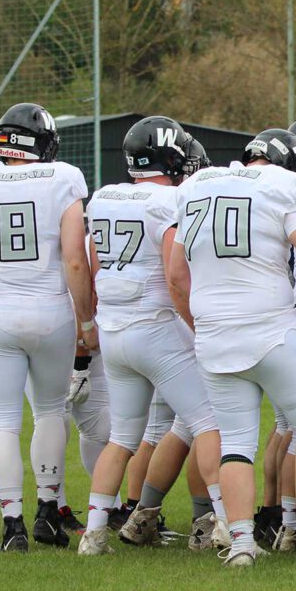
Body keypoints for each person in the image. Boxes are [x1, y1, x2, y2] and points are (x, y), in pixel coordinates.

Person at [169, 128, 296, 566]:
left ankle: (241, 541)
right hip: (272, 329)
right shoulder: (284, 185)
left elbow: (175, 275)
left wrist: (201, 324)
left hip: (216, 336)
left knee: (237, 442)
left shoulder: (196, 187)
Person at [0, 102, 96, 552]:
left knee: (3, 424)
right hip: (51, 310)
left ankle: (12, 526)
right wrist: (85, 319)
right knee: (50, 412)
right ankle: (47, 513)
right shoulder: (63, 178)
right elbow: (73, 259)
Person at [75, 117, 226, 556]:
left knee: (123, 437)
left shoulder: (104, 196)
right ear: (173, 156)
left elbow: (93, 266)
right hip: (156, 326)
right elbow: (176, 275)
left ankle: (94, 534)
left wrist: (92, 322)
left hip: (115, 329)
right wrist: (198, 326)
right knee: (209, 423)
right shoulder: (172, 198)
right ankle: (226, 525)